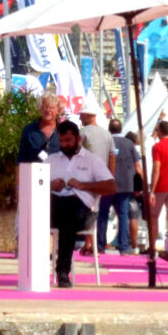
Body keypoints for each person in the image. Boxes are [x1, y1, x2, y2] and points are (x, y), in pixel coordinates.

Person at [45, 121, 115, 288]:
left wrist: (83, 185)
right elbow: (35, 184)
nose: (64, 145)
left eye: (68, 140)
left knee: (68, 215)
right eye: (61, 141)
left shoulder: (92, 161)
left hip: (83, 210)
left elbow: (111, 187)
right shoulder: (51, 160)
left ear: (78, 139)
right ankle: (46, 270)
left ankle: (62, 270)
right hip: (57, 205)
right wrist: (50, 185)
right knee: (45, 210)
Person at [76, 98, 113, 256]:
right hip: (102, 178)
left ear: (86, 115)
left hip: (85, 177)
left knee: (86, 210)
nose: (79, 118)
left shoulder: (82, 133)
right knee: (95, 210)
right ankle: (90, 244)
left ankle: (89, 243)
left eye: (81, 115)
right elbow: (112, 157)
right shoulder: (107, 134)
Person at [102, 116, 140, 255]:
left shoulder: (106, 141)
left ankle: (100, 246)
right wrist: (139, 185)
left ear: (109, 129)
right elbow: (137, 165)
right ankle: (124, 247)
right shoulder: (129, 144)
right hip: (125, 184)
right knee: (123, 215)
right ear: (121, 129)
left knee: (103, 214)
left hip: (107, 183)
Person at [147, 119, 168, 262]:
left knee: (154, 217)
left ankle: (152, 246)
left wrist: (151, 189)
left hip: (160, 186)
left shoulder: (157, 147)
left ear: (159, 130)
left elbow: (156, 169)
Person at [19, 94, 62, 163]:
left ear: (58, 110)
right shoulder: (29, 130)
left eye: (51, 108)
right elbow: (21, 159)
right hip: (35, 172)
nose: (48, 110)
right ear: (40, 108)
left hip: (58, 172)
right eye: (45, 107)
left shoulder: (64, 130)